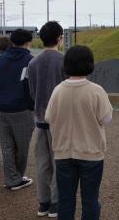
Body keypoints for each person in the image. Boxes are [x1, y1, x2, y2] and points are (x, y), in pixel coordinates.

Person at [45, 45, 113, 220]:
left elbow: (48, 117)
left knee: (66, 201)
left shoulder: (58, 90)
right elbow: (106, 119)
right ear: (90, 64)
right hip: (91, 153)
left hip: (63, 153)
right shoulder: (96, 90)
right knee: (90, 200)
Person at [28, 21, 66, 218]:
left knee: (42, 163)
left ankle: (43, 203)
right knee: (58, 161)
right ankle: (55, 203)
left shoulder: (33, 63)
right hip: (59, 120)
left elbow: (32, 92)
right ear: (60, 37)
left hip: (40, 119)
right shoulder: (63, 60)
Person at [0, 29, 34, 190]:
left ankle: (12, 178)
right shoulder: (30, 61)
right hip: (21, 109)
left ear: (12, 41)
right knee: (22, 147)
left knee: (7, 147)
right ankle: (16, 178)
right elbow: (32, 88)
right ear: (28, 42)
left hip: (2, 109)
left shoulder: (1, 59)